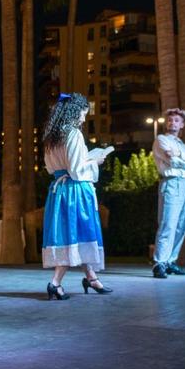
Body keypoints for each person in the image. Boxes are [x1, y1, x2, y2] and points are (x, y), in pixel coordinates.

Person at [42, 93, 113, 300]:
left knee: (75, 235)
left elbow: (51, 168)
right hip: (74, 191)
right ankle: (55, 283)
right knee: (75, 234)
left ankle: (91, 278)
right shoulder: (73, 134)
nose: (83, 119)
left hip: (58, 189)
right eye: (83, 114)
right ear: (74, 112)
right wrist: (95, 161)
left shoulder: (52, 137)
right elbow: (76, 170)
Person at [151, 107, 185, 279]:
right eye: (170, 120)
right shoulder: (161, 139)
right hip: (171, 183)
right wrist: (182, 161)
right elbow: (171, 161)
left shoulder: (182, 146)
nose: (173, 122)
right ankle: (160, 263)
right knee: (168, 223)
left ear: (182, 125)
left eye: (177, 120)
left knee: (182, 224)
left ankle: (170, 260)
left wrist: (179, 156)